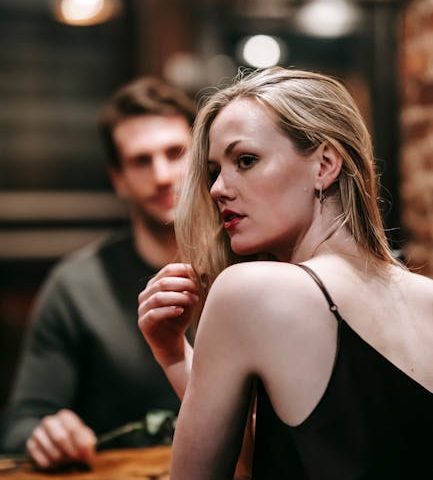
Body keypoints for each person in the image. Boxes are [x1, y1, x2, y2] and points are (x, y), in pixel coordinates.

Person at [138, 67, 433, 479]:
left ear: (325, 164)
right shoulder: (426, 296)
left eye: (245, 160)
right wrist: (174, 356)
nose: (217, 188)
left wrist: (172, 355)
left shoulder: (249, 290)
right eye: (214, 171)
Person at [0, 76, 196, 470]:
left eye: (175, 153)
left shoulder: (249, 266)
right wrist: (48, 434)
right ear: (118, 179)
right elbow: (22, 425)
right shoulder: (76, 286)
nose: (162, 175)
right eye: (141, 160)